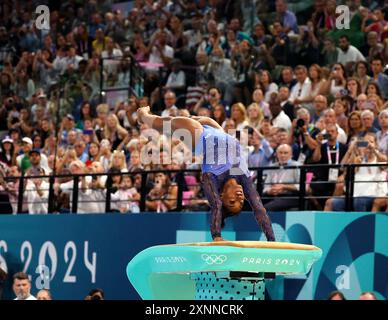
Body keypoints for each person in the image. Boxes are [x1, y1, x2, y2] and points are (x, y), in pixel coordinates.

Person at [137, 106, 275, 242]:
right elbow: (259, 208)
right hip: (219, 132)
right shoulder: (242, 177)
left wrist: (217, 237)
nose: (239, 197)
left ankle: (143, 116)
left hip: (200, 138)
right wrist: (272, 240)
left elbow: (216, 206)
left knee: (168, 123)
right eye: (241, 201)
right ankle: (148, 117)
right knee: (191, 121)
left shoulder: (212, 176)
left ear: (222, 196)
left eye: (232, 202)